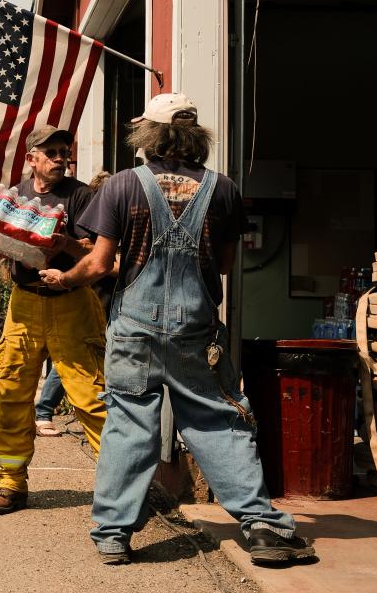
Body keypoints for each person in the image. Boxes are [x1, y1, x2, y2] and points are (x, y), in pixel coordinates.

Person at [40, 93, 315, 565]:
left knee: (128, 426)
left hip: (133, 331)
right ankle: (264, 527)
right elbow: (225, 263)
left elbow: (101, 263)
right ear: (193, 136)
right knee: (218, 421)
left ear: (151, 135)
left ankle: (112, 535)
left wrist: (66, 277)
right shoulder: (223, 189)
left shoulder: (124, 185)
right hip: (198, 329)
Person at [0, 125, 108, 515]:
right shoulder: (13, 195)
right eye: (50, 151)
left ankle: (117, 489)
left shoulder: (83, 195)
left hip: (72, 302)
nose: (59, 157)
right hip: (23, 306)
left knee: (92, 397)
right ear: (31, 158)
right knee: (12, 394)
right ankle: (11, 485)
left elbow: (95, 250)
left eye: (63, 151)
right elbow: (0, 239)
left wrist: (62, 243)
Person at [34, 171, 114, 438]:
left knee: (83, 358)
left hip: (102, 297)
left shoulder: (106, 220)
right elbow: (101, 262)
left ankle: (48, 410)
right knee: (70, 360)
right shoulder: (95, 218)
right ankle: (44, 410)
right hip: (92, 296)